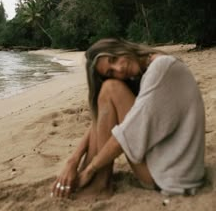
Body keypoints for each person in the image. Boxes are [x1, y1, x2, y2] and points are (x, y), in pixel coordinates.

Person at [51, 38, 205, 198]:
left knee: (110, 89)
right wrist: (73, 160)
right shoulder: (151, 67)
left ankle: (100, 183)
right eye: (111, 72)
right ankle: (95, 180)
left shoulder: (161, 67)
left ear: (120, 47)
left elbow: (128, 132)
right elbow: (100, 119)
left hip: (172, 176)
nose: (119, 68)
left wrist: (90, 170)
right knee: (108, 90)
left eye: (114, 59)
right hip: (180, 170)